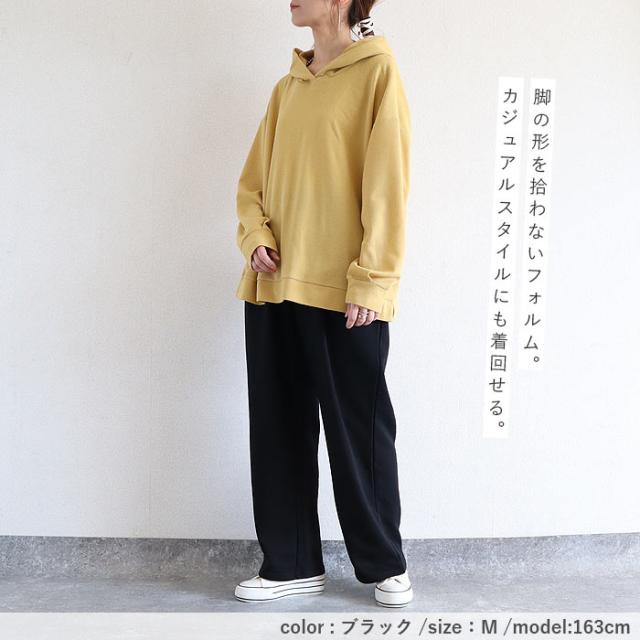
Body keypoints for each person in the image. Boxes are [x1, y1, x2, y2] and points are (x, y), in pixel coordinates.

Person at [233, 0, 412, 608]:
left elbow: (388, 185)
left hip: (344, 292)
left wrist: (373, 280)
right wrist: (255, 236)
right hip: (275, 284)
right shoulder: (287, 87)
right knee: (278, 429)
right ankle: (290, 564)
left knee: (358, 431)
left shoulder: (378, 72)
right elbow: (252, 183)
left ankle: (385, 562)